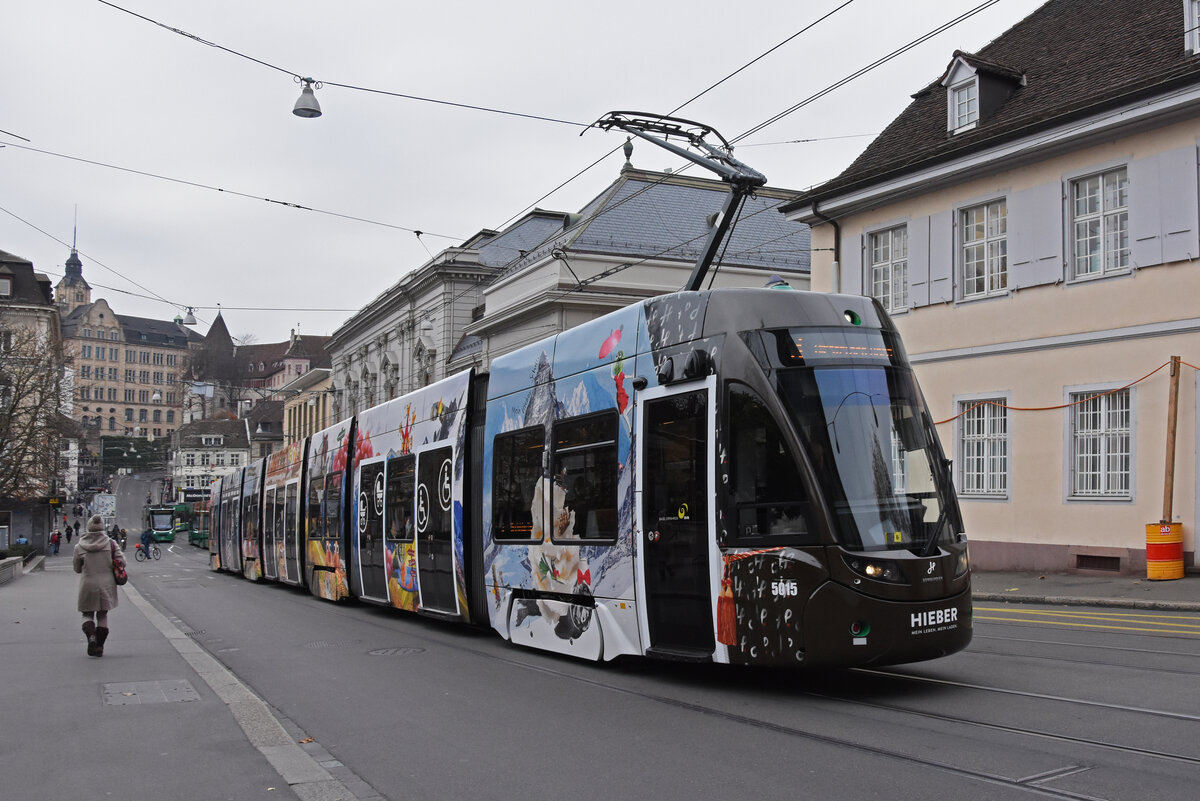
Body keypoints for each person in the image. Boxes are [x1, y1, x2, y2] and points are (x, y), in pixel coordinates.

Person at [73, 515, 123, 657]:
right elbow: (121, 562)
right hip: (106, 584)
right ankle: (99, 646)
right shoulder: (111, 544)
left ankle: (91, 637)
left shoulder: (79, 546)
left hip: (88, 584)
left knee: (87, 613)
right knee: (102, 614)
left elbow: (77, 568)